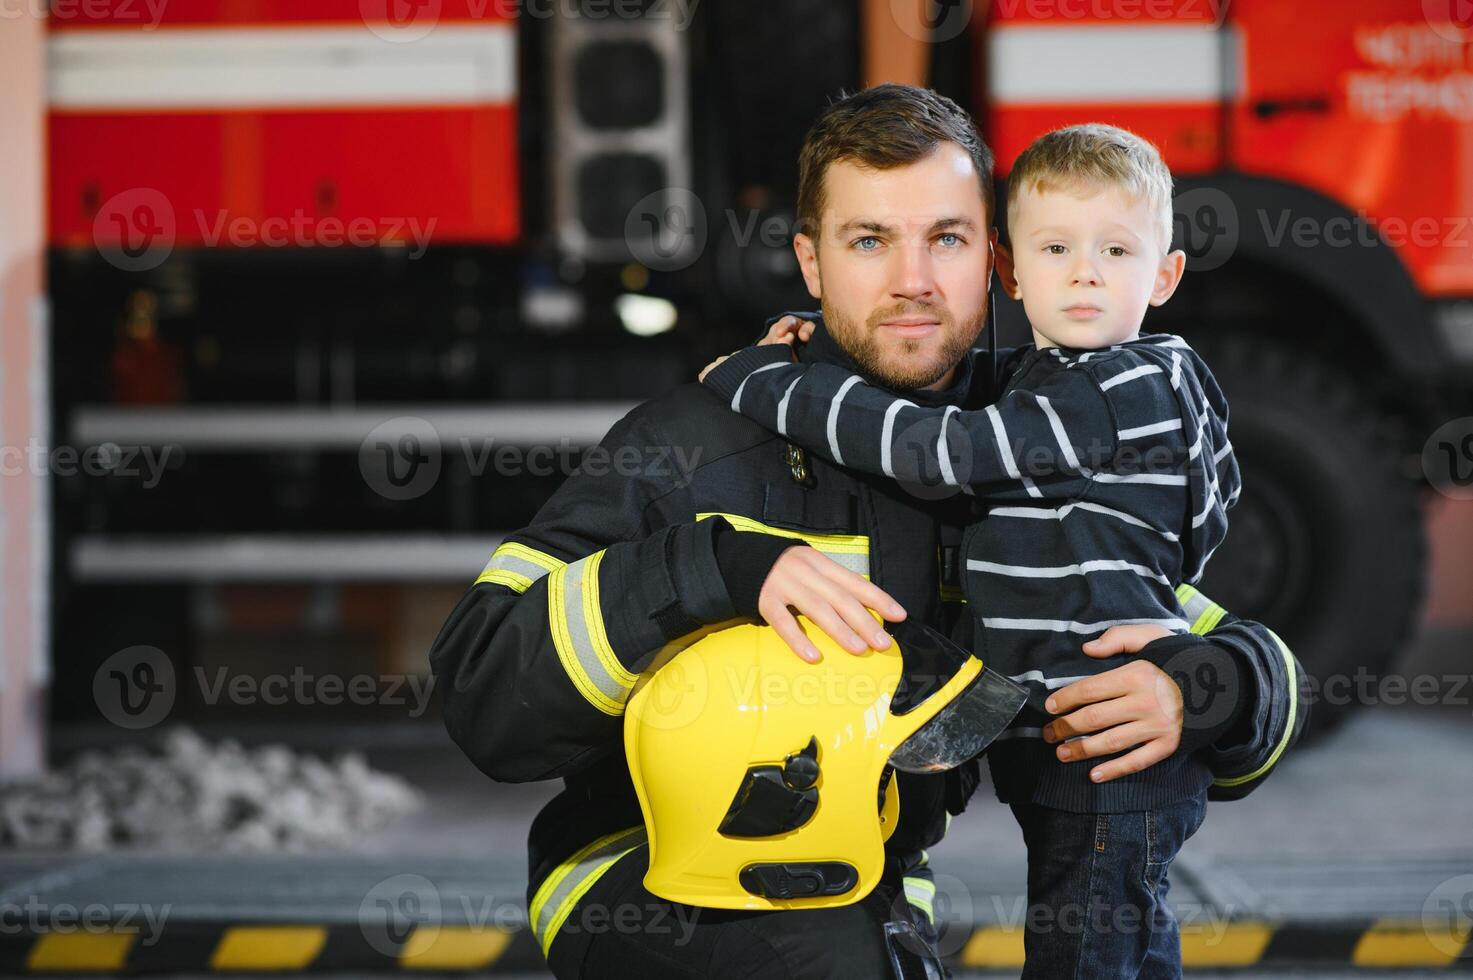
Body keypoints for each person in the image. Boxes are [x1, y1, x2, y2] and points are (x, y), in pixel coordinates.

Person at [429, 84, 1307, 979]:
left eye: (946, 239)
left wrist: (1211, 686)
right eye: (869, 241)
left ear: (994, 260)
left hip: (867, 893)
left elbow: (1159, 610)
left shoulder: (1013, 441)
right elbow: (480, 692)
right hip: (651, 881)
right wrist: (714, 568)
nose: (913, 282)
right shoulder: (698, 438)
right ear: (811, 264)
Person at [702, 122, 1257, 978]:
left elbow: (934, 451)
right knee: (1125, 950)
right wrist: (824, 336)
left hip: (1102, 747)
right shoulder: (1067, 378)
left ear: (1166, 273)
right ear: (1011, 269)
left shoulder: (1117, 386)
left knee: (1083, 957)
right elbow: (955, 380)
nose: (1084, 271)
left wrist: (765, 379)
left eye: (1116, 249)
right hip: (1078, 738)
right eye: (1057, 247)